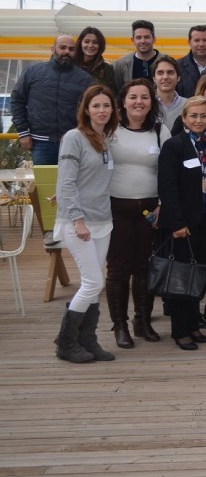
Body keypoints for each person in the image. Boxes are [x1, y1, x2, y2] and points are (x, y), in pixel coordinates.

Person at [52, 84, 119, 363]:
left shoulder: (106, 139)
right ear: (86, 110)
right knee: (94, 282)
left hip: (103, 220)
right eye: (96, 106)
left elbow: (91, 179)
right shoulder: (74, 137)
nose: (102, 110)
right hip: (79, 222)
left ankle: (87, 339)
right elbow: (66, 179)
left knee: (92, 284)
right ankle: (65, 342)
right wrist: (77, 218)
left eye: (106, 105)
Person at [106, 78, 172, 348]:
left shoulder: (159, 130)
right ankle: (119, 325)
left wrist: (162, 207)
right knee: (118, 269)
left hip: (149, 210)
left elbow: (169, 174)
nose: (139, 102)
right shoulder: (109, 130)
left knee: (144, 267)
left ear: (151, 102)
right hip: (116, 209)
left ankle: (142, 320)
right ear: (122, 101)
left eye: (145, 97)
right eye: (133, 97)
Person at [157, 96, 206, 350]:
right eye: (193, 116)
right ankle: (180, 330)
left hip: (205, 220)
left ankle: (193, 325)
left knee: (198, 274)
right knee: (180, 277)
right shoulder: (175, 146)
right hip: (181, 223)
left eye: (203, 116)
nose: (198, 120)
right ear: (184, 118)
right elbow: (168, 187)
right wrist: (176, 223)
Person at [11, 34, 92, 165]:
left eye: (71, 49)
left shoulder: (84, 79)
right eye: (62, 47)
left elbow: (90, 110)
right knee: (46, 182)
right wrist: (23, 132)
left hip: (72, 141)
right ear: (53, 49)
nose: (67, 52)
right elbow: (17, 101)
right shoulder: (33, 72)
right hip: (41, 143)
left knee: (71, 182)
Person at [112, 20, 168, 92]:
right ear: (133, 40)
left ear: (154, 39)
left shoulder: (167, 62)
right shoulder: (121, 64)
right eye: (138, 37)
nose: (143, 41)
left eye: (147, 37)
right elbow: (119, 91)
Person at [175, 24, 206, 98]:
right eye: (197, 40)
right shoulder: (177, 66)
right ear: (189, 43)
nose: (201, 44)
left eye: (205, 40)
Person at [73, 26, 116, 92]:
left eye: (95, 42)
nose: (90, 45)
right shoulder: (70, 65)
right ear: (80, 43)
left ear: (100, 45)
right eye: (87, 41)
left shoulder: (107, 69)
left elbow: (111, 94)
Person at [153, 55, 185, 126]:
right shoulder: (146, 104)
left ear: (178, 78)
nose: (165, 77)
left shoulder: (188, 105)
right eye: (160, 73)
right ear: (154, 79)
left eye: (170, 72)